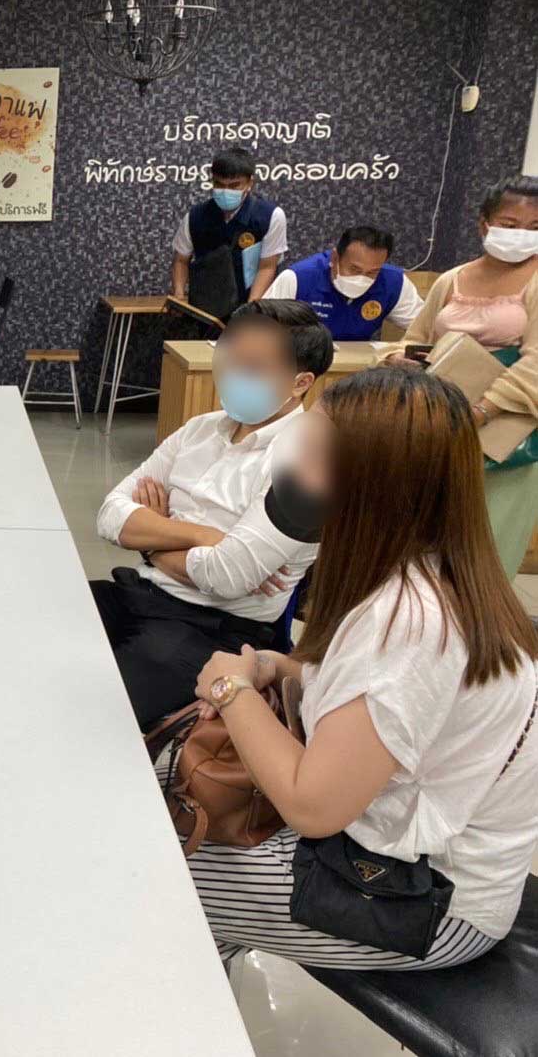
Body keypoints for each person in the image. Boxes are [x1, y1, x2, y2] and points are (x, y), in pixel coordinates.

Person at [183, 366, 538, 970]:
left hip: (424, 901)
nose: (291, 470)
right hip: (396, 856)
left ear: (378, 484)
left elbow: (312, 806)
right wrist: (280, 667)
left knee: (150, 860)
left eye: (315, 456)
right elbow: (381, 709)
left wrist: (230, 687)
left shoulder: (410, 624)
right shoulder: (431, 573)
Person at [93, 300, 333, 728]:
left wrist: (152, 541)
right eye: (230, 359)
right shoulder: (201, 429)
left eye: (252, 367)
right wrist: (204, 535)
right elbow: (110, 515)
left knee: (101, 713)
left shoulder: (302, 463)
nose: (234, 374)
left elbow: (226, 578)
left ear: (300, 383)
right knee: (47, 622)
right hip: (141, 593)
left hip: (216, 629)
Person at [398, 174, 538, 578]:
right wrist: (399, 360)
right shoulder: (451, 279)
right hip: (437, 423)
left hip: (504, 431)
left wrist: (482, 410)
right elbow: (415, 339)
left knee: (487, 547)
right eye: (510, 224)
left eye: (534, 227)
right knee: (422, 539)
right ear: (484, 224)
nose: (521, 235)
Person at [171, 147, 288, 306]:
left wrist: (250, 309)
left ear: (250, 183)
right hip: (207, 305)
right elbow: (180, 260)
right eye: (219, 184)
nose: (226, 191)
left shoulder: (271, 216)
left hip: (253, 303)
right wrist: (178, 296)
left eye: (234, 186)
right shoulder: (194, 217)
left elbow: (267, 267)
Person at [265, 225, 424, 339]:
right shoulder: (298, 278)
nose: (361, 278)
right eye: (354, 269)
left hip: (358, 368)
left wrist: (396, 353)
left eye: (372, 272)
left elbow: (425, 329)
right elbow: (261, 328)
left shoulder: (394, 282)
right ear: (335, 258)